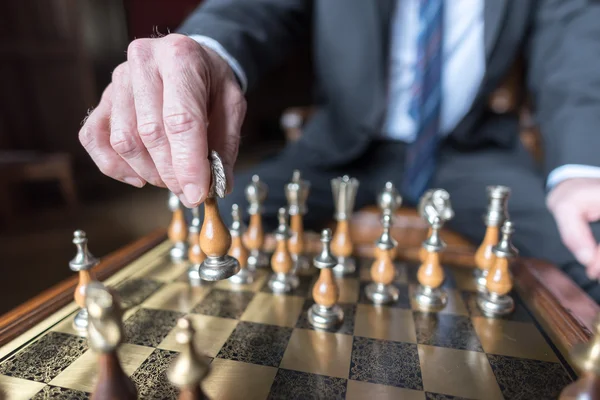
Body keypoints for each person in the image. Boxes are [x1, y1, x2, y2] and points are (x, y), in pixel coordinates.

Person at [78, 0, 600, 301]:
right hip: (341, 148)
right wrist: (206, 51)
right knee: (199, 239)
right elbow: (251, 8)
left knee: (589, 248)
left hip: (468, 148)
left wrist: (581, 168)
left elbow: (578, 39)